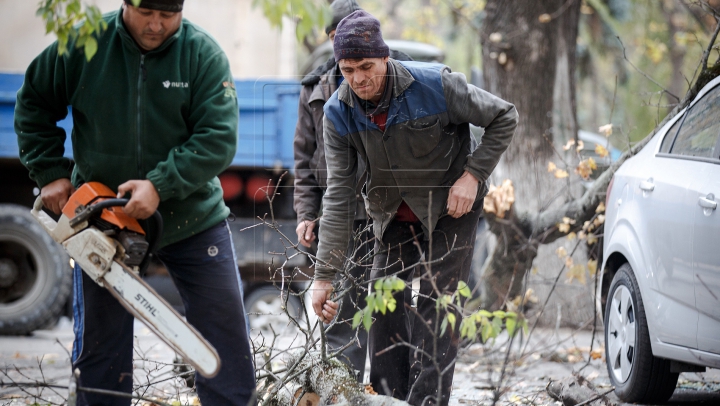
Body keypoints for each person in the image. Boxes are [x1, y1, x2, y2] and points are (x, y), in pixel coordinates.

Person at [14, 0, 255, 404]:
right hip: (103, 218)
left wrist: (160, 185)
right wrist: (51, 173)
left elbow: (219, 138)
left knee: (223, 332)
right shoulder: (84, 44)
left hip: (192, 217)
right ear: (126, 3)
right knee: (101, 346)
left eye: (168, 15)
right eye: (147, 13)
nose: (157, 25)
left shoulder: (202, 54)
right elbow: (34, 102)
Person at [309, 10, 518, 406]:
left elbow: (504, 116)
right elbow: (338, 195)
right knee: (383, 305)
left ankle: (428, 401)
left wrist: (473, 177)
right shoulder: (337, 112)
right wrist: (324, 276)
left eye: (366, 66)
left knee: (437, 307)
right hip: (391, 217)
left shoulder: (436, 85)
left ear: (385, 57)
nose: (358, 78)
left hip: (451, 210)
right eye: (348, 69)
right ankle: (389, 399)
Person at [293, 0, 412, 381]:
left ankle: (389, 393)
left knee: (389, 308)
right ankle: (341, 390)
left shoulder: (391, 78)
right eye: (337, 37)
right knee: (342, 310)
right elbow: (304, 160)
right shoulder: (314, 90)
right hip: (341, 217)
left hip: (388, 213)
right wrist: (305, 213)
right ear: (331, 39)